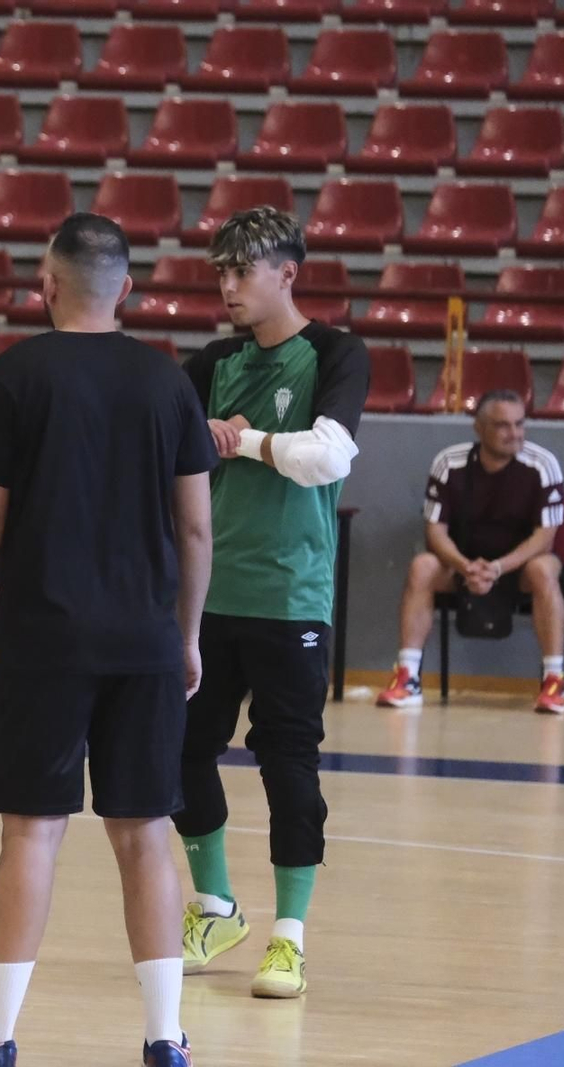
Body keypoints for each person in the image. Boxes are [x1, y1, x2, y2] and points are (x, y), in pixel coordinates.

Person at [0, 213, 215, 1067]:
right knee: (146, 834)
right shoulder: (168, 382)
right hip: (145, 640)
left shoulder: (16, 372)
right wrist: (188, 636)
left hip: (44, 636)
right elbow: (197, 527)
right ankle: (164, 1037)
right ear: (125, 288)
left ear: (45, 286)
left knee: (32, 832)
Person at [171, 206, 370, 1001]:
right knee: (180, 752)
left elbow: (325, 457)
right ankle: (215, 905)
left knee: (288, 762)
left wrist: (240, 440)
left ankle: (288, 936)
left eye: (241, 272)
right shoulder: (210, 362)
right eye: (219, 272)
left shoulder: (335, 353)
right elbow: (164, 444)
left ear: (287, 272)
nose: (227, 287)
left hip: (292, 597)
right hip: (208, 597)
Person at [376, 390, 564, 714]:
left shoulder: (542, 464)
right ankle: (408, 677)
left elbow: (545, 537)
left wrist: (497, 568)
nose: (515, 434)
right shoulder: (449, 462)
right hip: (462, 565)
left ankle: (553, 680)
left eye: (520, 424)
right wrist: (465, 566)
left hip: (519, 567)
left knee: (545, 569)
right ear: (478, 428)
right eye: (503, 426)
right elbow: (435, 530)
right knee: (422, 566)